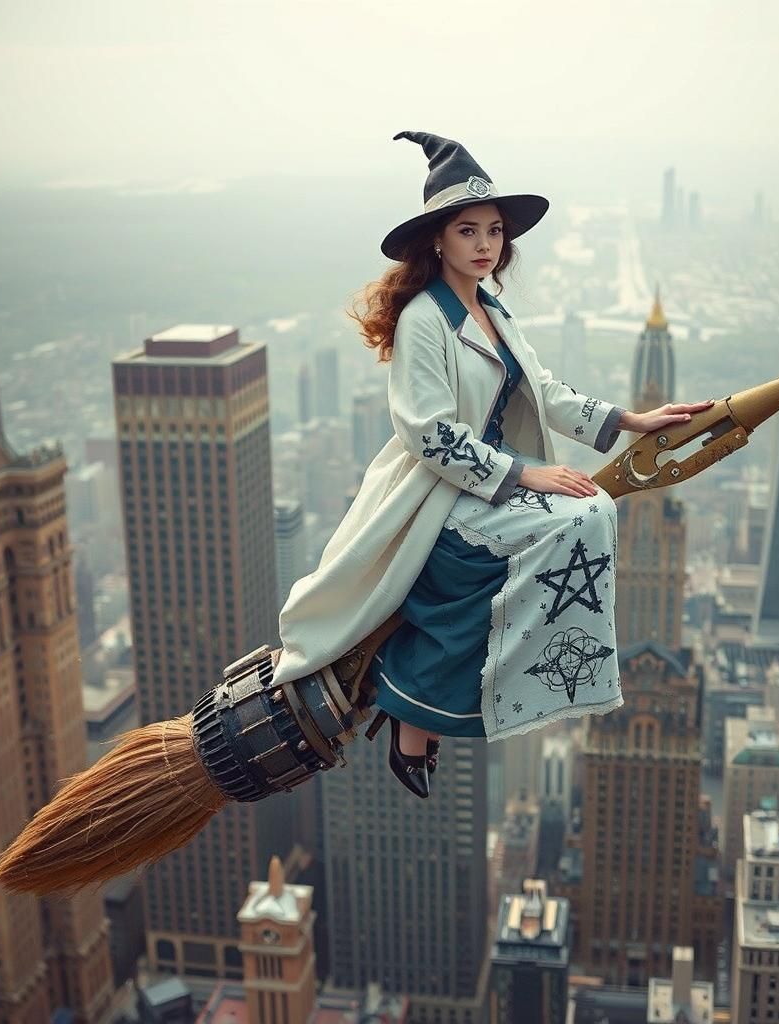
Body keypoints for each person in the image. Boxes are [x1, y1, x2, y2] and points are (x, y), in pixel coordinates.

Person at [272, 131, 713, 799]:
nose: (485, 244)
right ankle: (431, 701)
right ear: (438, 241)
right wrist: (525, 475)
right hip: (440, 492)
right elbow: (427, 432)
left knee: (592, 509)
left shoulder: (492, 310)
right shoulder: (425, 318)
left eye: (495, 231)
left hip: (487, 483)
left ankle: (491, 686)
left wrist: (631, 421)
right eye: (468, 230)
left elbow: (548, 391)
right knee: (573, 518)